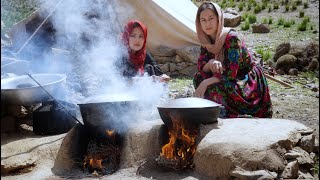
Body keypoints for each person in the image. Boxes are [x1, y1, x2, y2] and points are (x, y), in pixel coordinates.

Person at [193, 2, 272, 118]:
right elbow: (201, 66)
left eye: (211, 18)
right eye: (203, 20)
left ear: (219, 19)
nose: (207, 24)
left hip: (243, 78)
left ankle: (224, 112)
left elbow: (231, 73)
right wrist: (210, 64)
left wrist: (205, 83)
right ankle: (213, 108)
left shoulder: (232, 38)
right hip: (223, 76)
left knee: (215, 86)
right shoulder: (206, 40)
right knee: (198, 78)